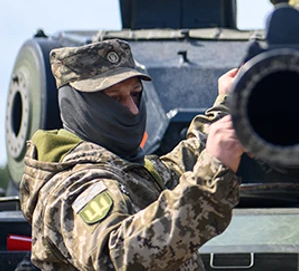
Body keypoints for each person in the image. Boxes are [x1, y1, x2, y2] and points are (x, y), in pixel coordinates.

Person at [19, 39, 245, 270]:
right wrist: (212, 174)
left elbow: (178, 167)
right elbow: (117, 257)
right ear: (77, 105)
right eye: (116, 98)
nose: (133, 109)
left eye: (135, 94)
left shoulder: (126, 167)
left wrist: (226, 105)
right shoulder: (75, 186)